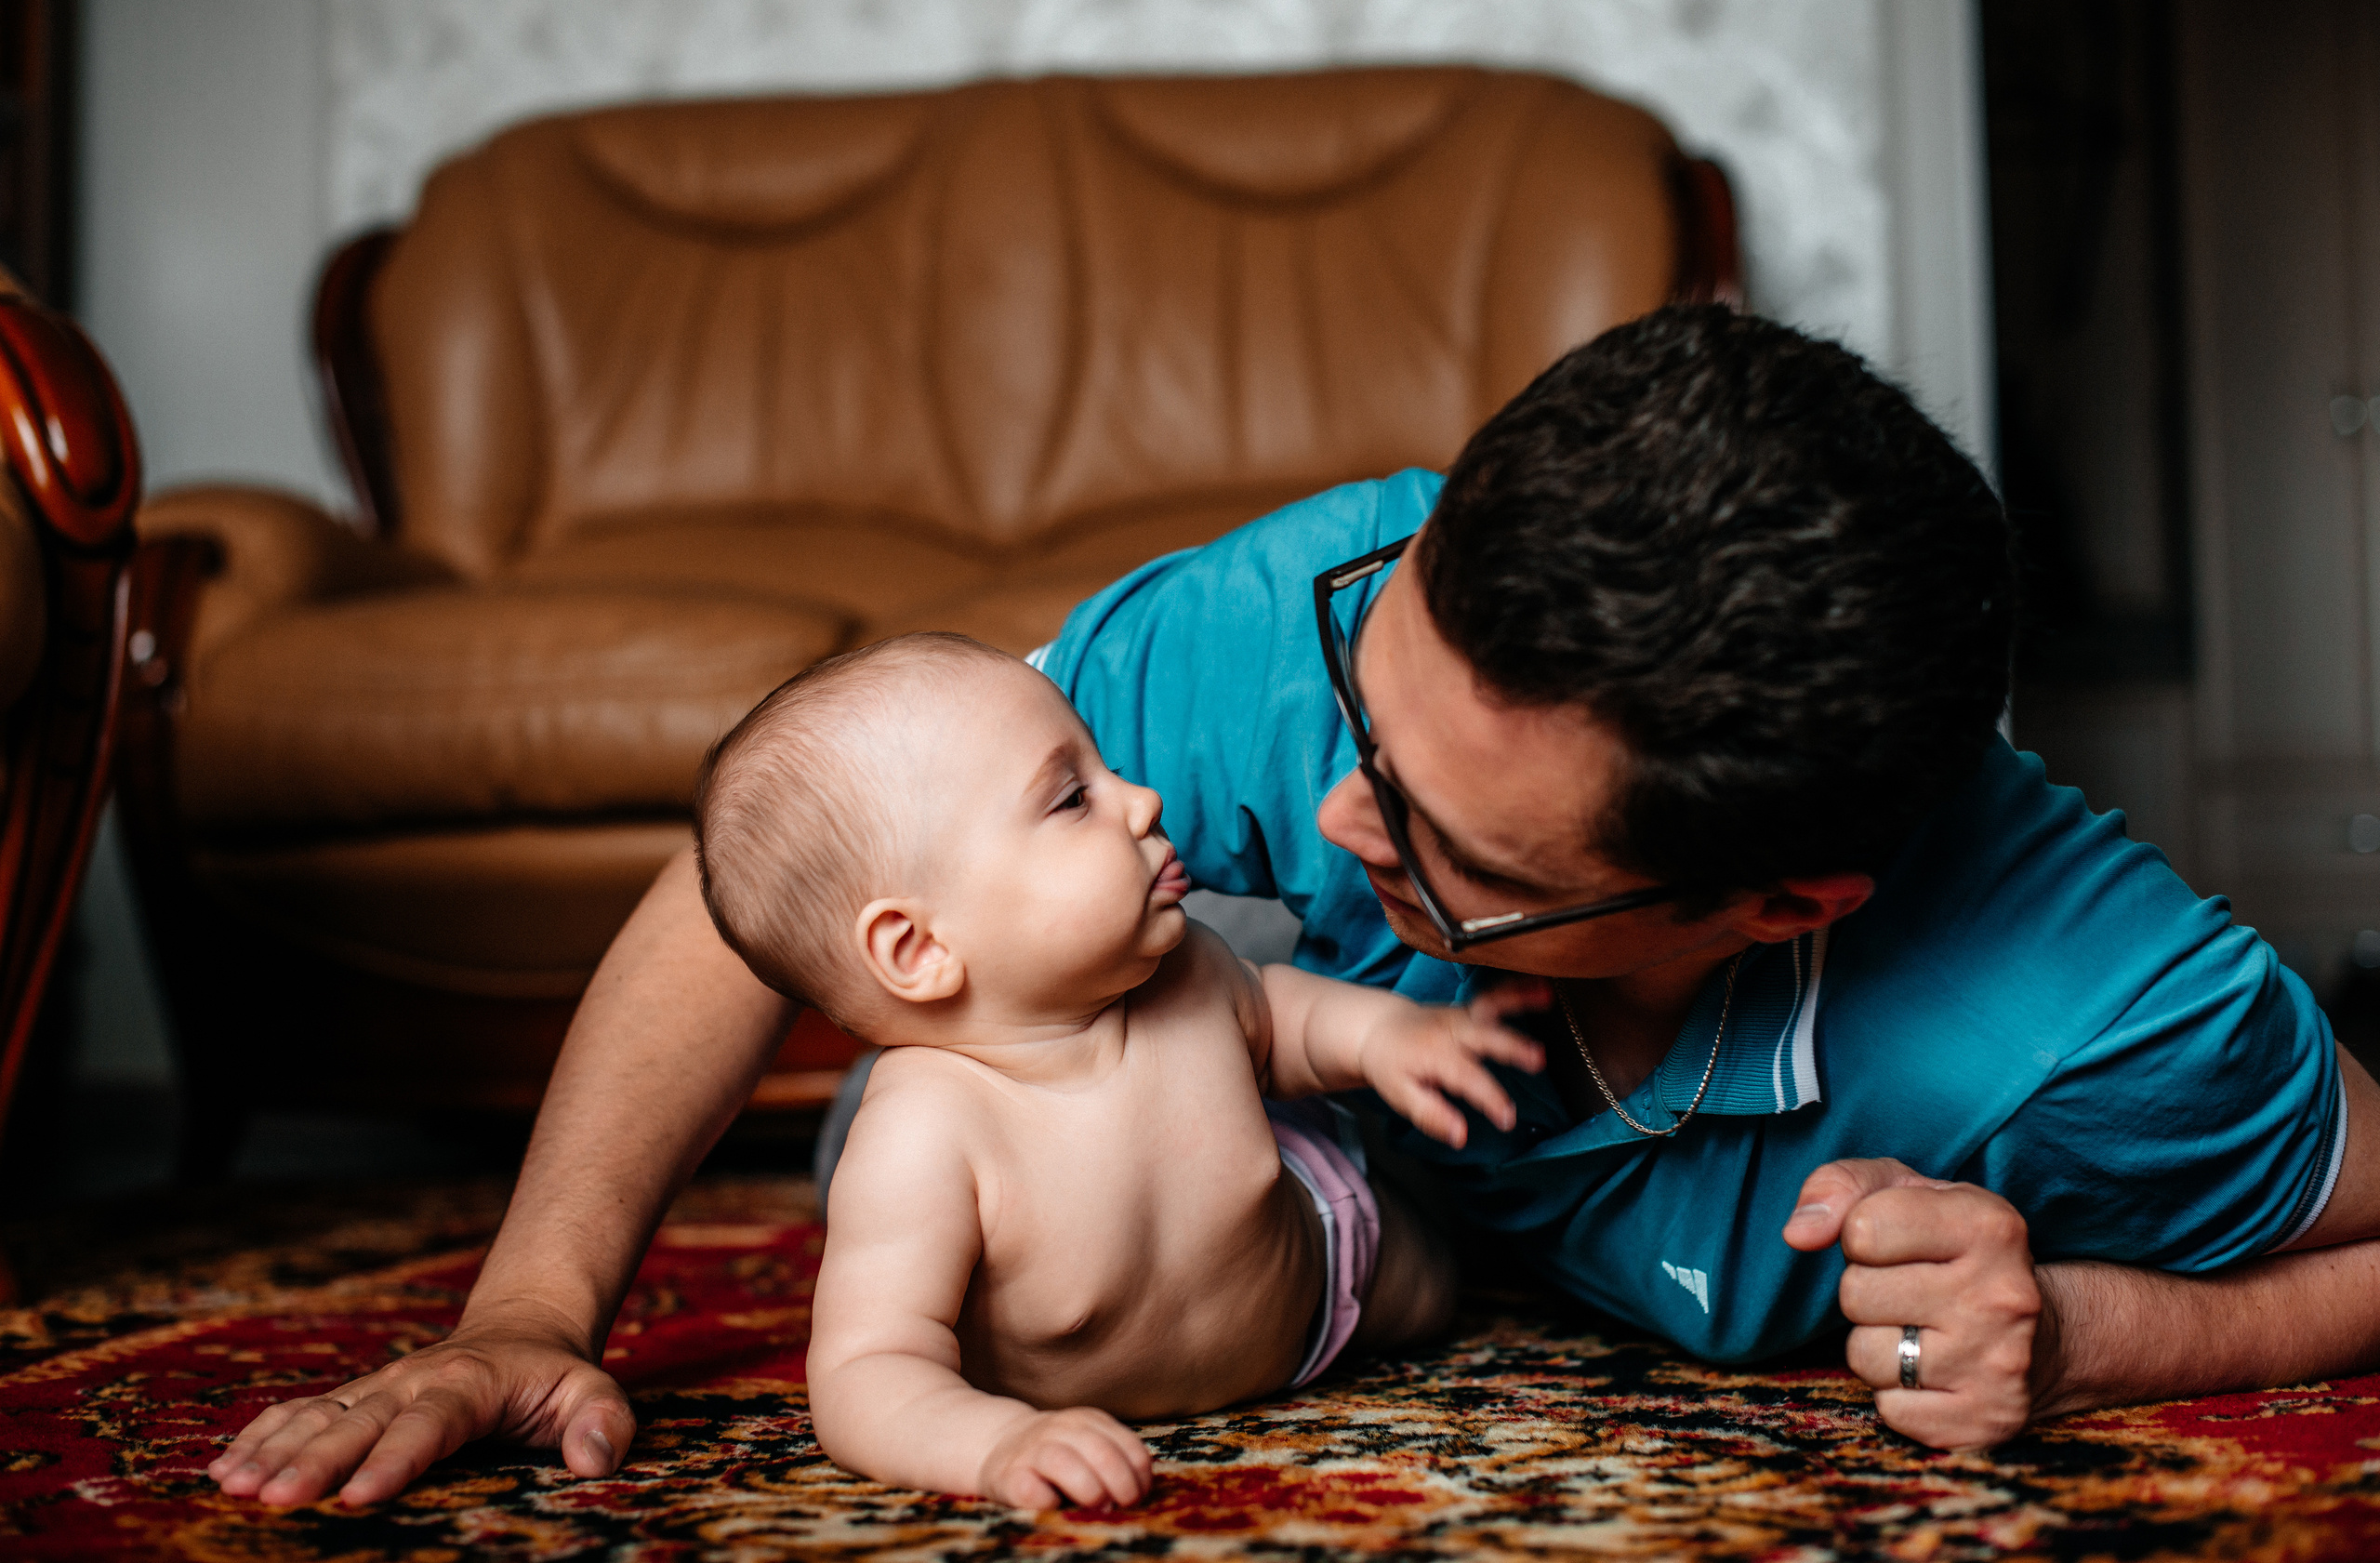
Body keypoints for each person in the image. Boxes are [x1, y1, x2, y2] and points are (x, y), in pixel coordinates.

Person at [206, 306, 2380, 1509]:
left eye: (1454, 860)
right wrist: (530, 1303)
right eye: (1369, 701)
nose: (1325, 815)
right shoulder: (1308, 616)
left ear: (1768, 903)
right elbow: (771, 876)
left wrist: (2113, 1332)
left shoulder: (2087, 1024)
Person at [697, 632, 1542, 1508]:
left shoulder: (1190, 970)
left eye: (1108, 770)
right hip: (1141, 1373)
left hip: (1326, 1270)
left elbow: (1286, 1018)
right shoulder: (923, 1135)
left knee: (1450, 1280)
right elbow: (867, 1369)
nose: (1143, 799)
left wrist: (1387, 1038)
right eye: (1074, 798)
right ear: (918, 947)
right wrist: (995, 1443)